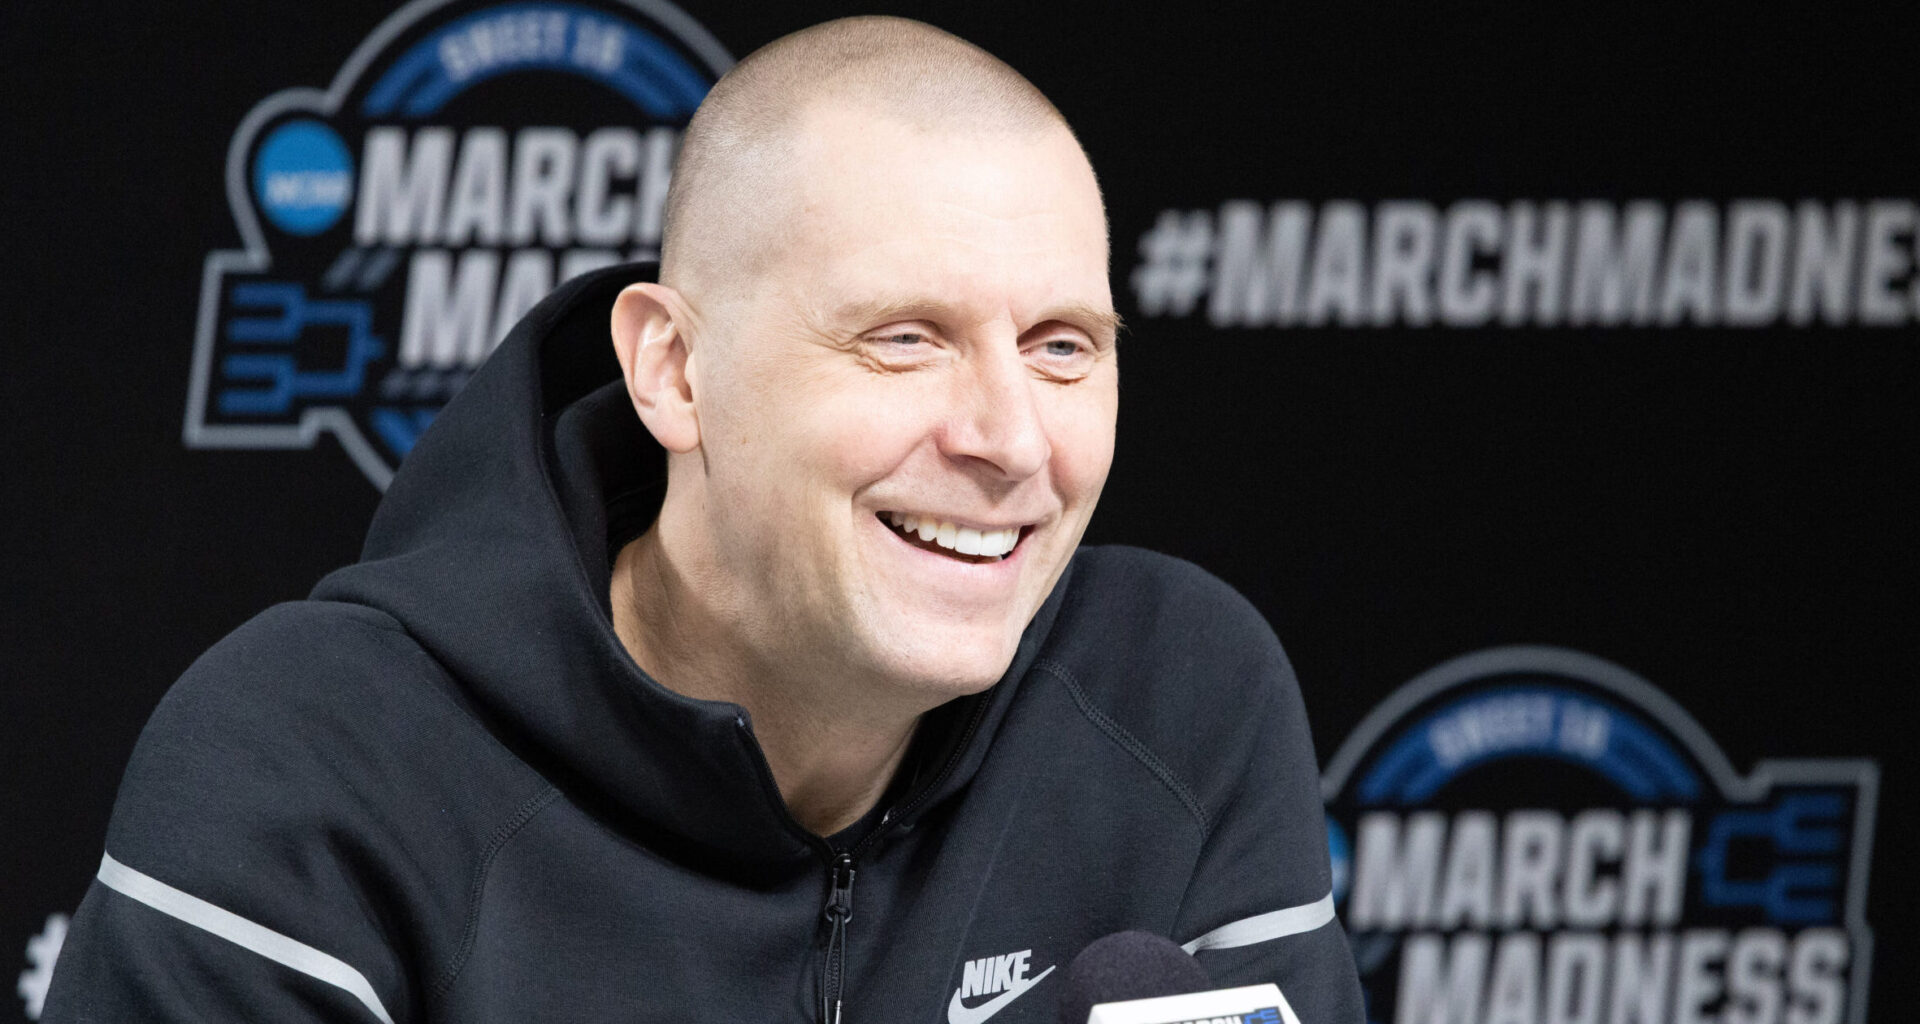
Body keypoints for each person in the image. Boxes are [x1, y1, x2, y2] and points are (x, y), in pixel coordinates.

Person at [44, 16, 1363, 1023]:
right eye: (904, 339)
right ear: (675, 371)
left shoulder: (1184, 702)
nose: (1012, 439)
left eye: (1066, 346)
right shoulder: (306, 772)